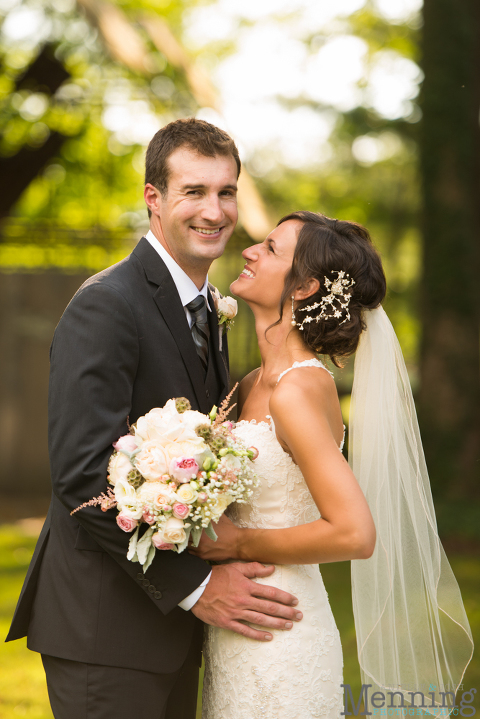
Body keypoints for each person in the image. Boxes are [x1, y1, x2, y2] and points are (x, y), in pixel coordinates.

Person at [5, 118, 302, 719]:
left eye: (226, 192)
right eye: (193, 191)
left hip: (170, 635)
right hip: (104, 630)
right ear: (154, 199)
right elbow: (84, 475)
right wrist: (196, 587)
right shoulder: (107, 305)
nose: (214, 211)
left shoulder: (209, 310)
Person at [190, 211, 474, 719]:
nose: (250, 251)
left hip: (281, 632)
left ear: (304, 287)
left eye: (271, 248)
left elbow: (354, 534)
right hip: (237, 624)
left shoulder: (296, 390)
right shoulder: (254, 382)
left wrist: (240, 542)